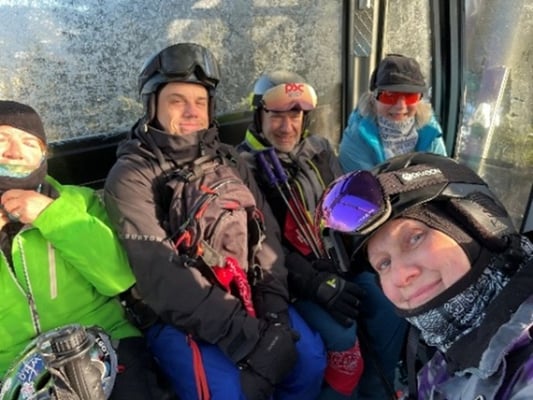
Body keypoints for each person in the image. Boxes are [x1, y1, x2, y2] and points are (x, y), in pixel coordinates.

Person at [104, 43, 326, 400]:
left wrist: (275, 316)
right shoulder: (132, 176)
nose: (192, 111)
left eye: (200, 101)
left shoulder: (228, 160)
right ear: (152, 106)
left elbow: (266, 238)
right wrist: (248, 340)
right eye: (177, 101)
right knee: (231, 393)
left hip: (246, 291)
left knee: (309, 360)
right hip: (176, 313)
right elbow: (161, 274)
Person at [237, 70, 406, 400]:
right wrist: (314, 282)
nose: (287, 127)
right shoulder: (244, 167)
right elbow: (260, 246)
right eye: (276, 116)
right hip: (290, 279)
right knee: (342, 335)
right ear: (258, 116)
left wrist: (366, 254)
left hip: (338, 260)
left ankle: (377, 392)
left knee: (389, 302)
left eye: (295, 115)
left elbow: (349, 207)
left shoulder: (318, 152)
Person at [316, 152, 533, 399]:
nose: (400, 276)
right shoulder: (445, 349)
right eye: (384, 264)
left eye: (415, 238)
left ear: (478, 223)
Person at [0, 100, 160, 399]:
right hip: (12, 367)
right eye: (2, 139)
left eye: (29, 143)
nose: (15, 151)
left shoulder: (78, 202)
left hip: (102, 338)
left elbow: (118, 277)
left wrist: (51, 215)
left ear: (43, 154)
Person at [338, 54, 447, 172]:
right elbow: (361, 182)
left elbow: (442, 174)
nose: (401, 106)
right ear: (373, 98)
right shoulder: (356, 138)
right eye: (389, 96)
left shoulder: (431, 131)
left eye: (410, 96)